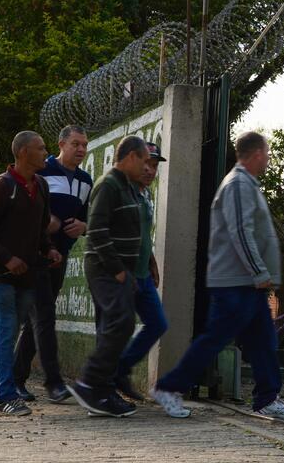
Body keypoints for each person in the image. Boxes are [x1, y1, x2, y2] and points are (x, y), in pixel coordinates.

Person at [151, 132, 284, 419]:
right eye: (266, 153)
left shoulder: (246, 184)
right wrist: (259, 271)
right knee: (215, 339)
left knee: (264, 341)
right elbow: (240, 231)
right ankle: (169, 387)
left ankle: (267, 397)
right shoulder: (238, 184)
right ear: (256, 154)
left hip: (246, 283)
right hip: (236, 281)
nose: (268, 159)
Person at [0, 131, 61, 417]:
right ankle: (7, 394)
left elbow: (40, 228)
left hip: (28, 276)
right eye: (41, 148)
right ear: (22, 153)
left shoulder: (40, 185)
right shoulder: (1, 187)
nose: (46, 153)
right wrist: (6, 258)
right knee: (6, 330)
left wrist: (49, 249)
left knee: (3, 334)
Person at [66, 135, 149, 418]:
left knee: (120, 324)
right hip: (104, 268)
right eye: (144, 160)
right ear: (130, 157)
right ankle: (90, 382)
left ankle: (101, 391)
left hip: (120, 270)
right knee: (120, 322)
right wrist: (116, 269)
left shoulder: (127, 187)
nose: (146, 167)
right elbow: (98, 231)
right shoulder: (109, 184)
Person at [14, 125, 91, 403]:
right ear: (61, 144)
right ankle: (53, 382)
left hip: (60, 256)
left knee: (38, 321)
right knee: (43, 316)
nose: (81, 149)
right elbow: (27, 206)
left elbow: (85, 217)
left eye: (84, 144)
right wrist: (46, 223)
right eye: (75, 144)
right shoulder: (42, 171)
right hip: (35, 255)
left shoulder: (85, 180)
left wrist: (83, 226)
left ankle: (14, 378)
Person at [113, 141, 168, 401]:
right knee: (118, 328)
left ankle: (120, 370)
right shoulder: (122, 190)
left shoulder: (145, 194)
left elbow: (143, 233)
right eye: (147, 164)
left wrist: (152, 261)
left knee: (157, 323)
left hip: (142, 273)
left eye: (155, 166)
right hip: (124, 272)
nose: (150, 170)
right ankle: (103, 382)